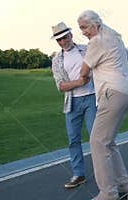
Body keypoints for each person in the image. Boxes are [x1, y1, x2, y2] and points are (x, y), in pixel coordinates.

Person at [76, 10, 128, 200]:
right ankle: (124, 184)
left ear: (95, 24)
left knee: (97, 142)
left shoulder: (97, 41)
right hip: (126, 92)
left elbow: (84, 70)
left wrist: (82, 79)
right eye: (80, 28)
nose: (83, 32)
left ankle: (108, 192)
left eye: (84, 27)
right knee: (108, 142)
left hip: (111, 93)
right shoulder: (114, 35)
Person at [51, 22, 97, 189]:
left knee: (96, 139)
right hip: (72, 103)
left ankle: (103, 173)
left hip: (92, 98)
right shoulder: (57, 60)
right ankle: (79, 174)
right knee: (73, 140)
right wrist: (79, 81)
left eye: (64, 37)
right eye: (59, 40)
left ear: (71, 34)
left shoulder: (86, 50)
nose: (63, 42)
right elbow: (60, 86)